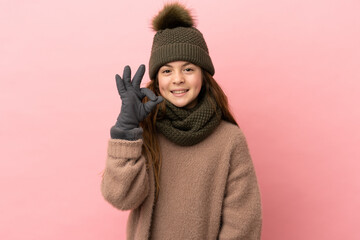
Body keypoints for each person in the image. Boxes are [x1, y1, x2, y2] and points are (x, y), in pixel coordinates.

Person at [101, 2, 262, 239]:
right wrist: (126, 132)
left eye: (188, 69)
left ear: (204, 75)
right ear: (157, 80)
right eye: (167, 71)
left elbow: (243, 223)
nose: (177, 79)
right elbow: (122, 198)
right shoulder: (144, 134)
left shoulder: (229, 140)